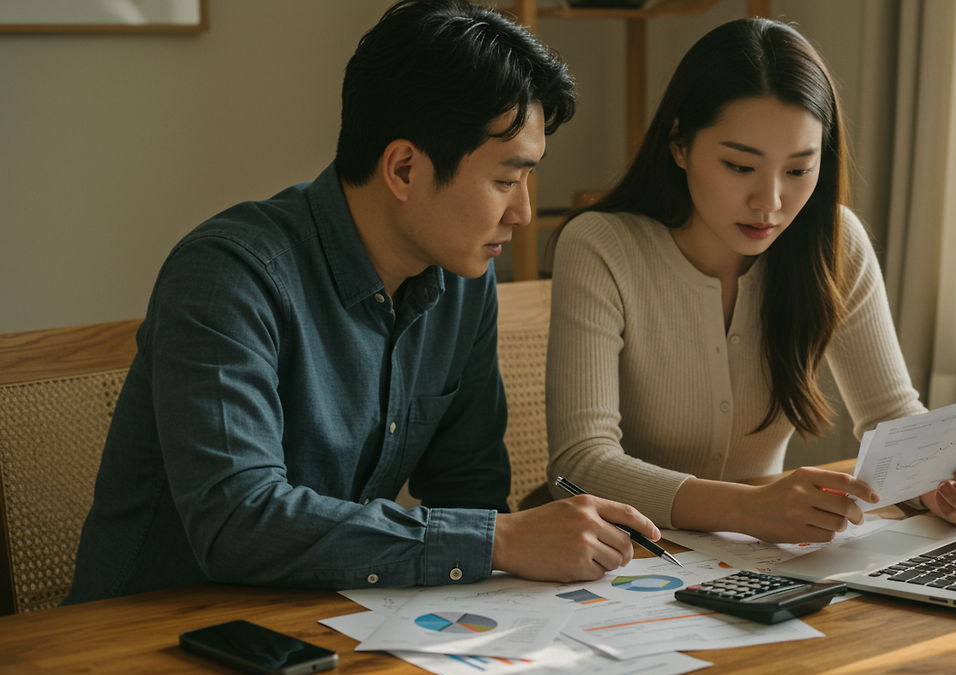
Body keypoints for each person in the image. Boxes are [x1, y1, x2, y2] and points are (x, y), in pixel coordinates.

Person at [64, 0, 659, 606]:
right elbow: (236, 522)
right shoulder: (228, 275)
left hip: (326, 621)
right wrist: (498, 540)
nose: (524, 212)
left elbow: (470, 490)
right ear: (403, 168)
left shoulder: (463, 278)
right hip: (148, 637)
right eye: (507, 180)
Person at [545, 18, 956, 544]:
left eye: (797, 170)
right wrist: (746, 508)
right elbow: (579, 466)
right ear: (679, 145)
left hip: (755, 561)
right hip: (621, 557)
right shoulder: (601, 245)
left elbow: (892, 419)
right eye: (739, 166)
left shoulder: (836, 243)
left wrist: (937, 484)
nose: (770, 202)